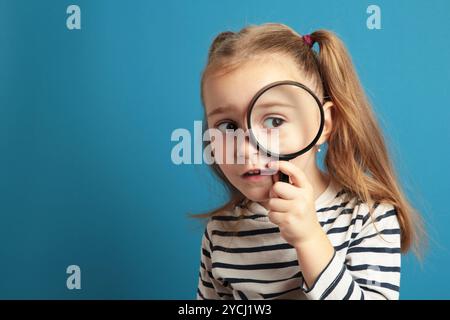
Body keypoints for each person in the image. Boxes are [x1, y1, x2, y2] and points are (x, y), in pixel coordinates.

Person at [194, 23, 424, 300]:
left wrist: (309, 240)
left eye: (274, 121)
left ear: (323, 124)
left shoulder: (368, 217)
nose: (246, 147)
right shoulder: (220, 233)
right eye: (228, 127)